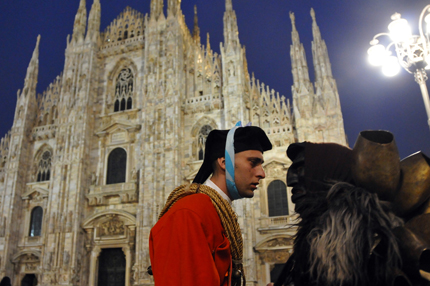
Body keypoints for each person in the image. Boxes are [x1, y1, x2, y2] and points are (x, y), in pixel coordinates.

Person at [149, 124, 272, 286]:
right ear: (223, 162)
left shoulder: (214, 211)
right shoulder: (190, 212)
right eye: (253, 163)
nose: (262, 173)